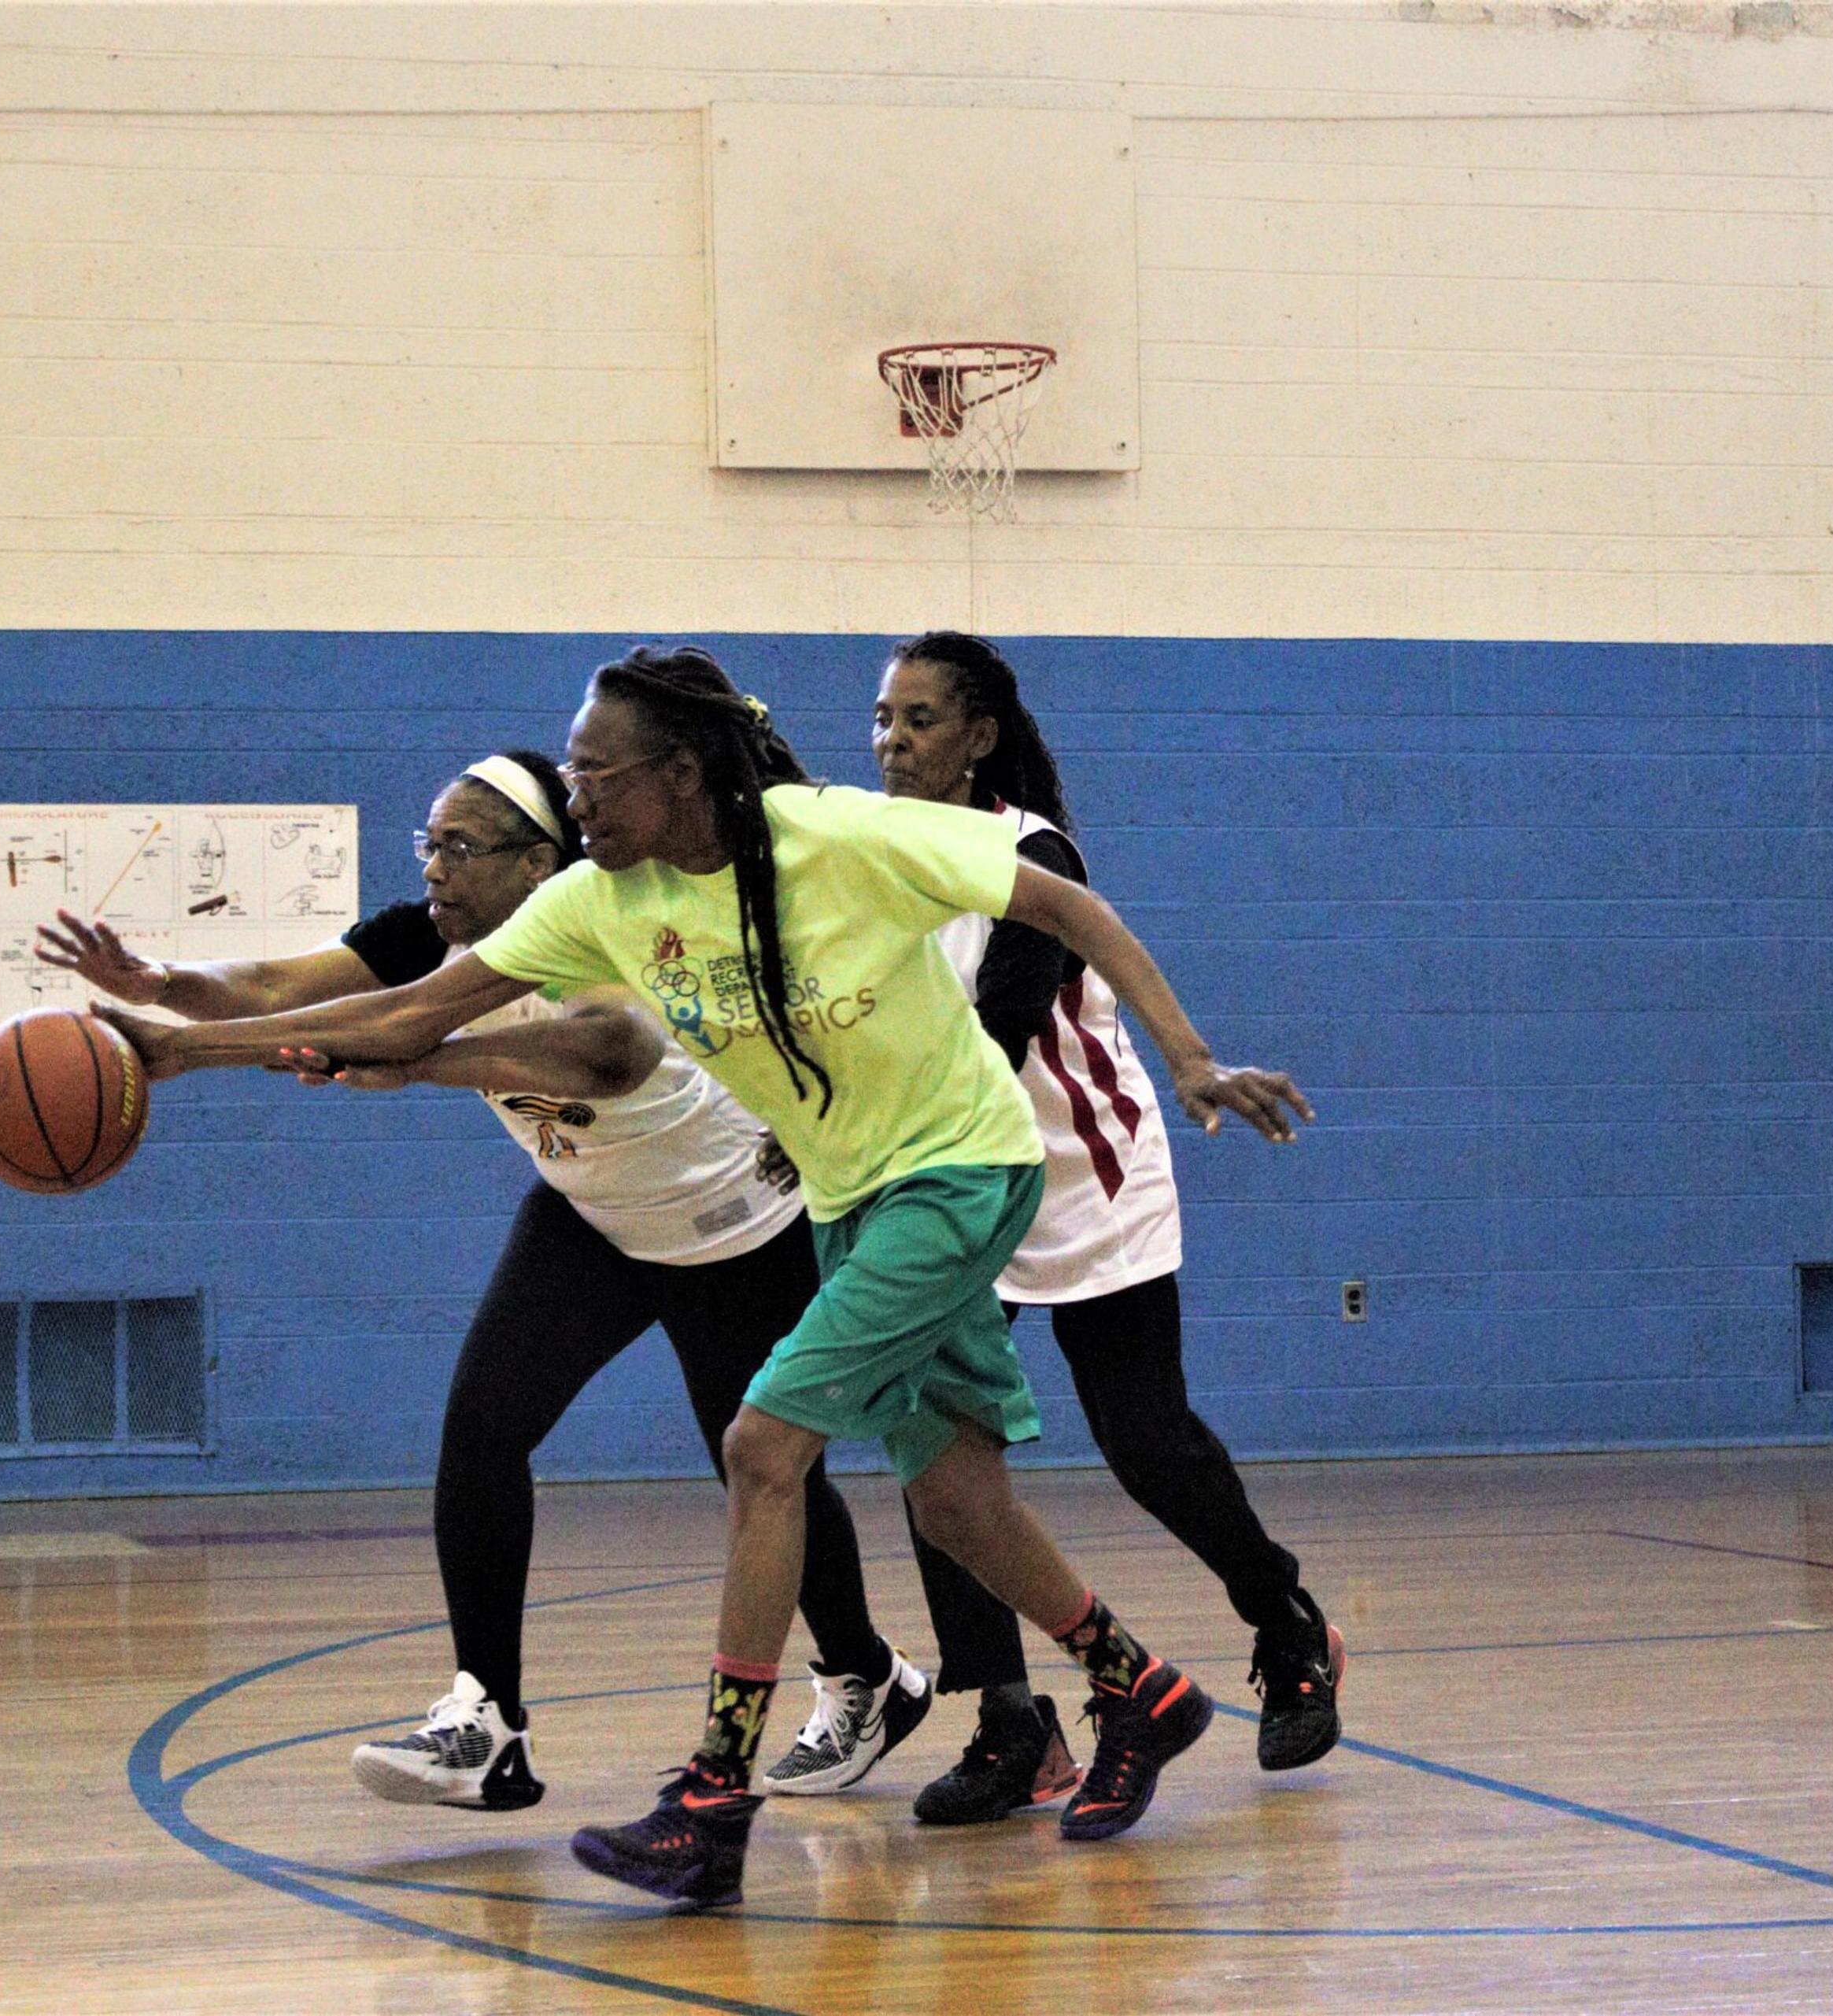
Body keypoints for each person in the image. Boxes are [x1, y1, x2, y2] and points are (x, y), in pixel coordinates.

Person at [94, 647, 1309, 1909]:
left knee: (762, 1446)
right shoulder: (600, 901)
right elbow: (412, 1014)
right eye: (568, 778)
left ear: (679, 777)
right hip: (851, 1197)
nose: (579, 805)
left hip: (960, 1168)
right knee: (954, 1502)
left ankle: (710, 1797)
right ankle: (1145, 1690)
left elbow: (1069, 909)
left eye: (595, 778)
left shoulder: (831, 835)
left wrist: (1193, 1059)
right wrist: (185, 1051)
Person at [35, 751, 935, 1811]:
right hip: (592, 1214)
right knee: (481, 1424)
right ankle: (487, 1721)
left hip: (730, 1220)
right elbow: (282, 988)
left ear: (541, 864)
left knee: (760, 1472)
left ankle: (867, 1674)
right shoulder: (435, 933)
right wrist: (164, 992)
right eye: (430, 843)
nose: (436, 870)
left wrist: (225, 1050)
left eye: (462, 848)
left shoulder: (612, 932)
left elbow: (598, 1058)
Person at [867, 631, 1346, 1830]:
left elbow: (997, 1024)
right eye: (882, 716)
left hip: (1084, 1174)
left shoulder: (1031, 852)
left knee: (1145, 1440)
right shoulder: (867, 857)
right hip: (955, 1180)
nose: (892, 739)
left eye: (920, 717)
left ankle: (1286, 1622)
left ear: (978, 737)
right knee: (943, 1458)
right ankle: (1012, 1722)